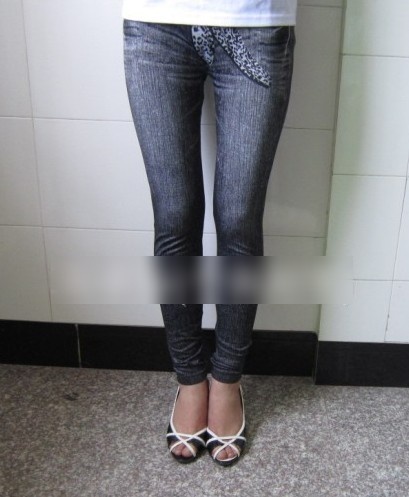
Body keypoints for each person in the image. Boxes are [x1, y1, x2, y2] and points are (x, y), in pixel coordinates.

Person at [122, 0, 297, 466]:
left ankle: (227, 380)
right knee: (174, 217)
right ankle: (189, 379)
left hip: (255, 22)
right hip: (157, 23)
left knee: (239, 220)